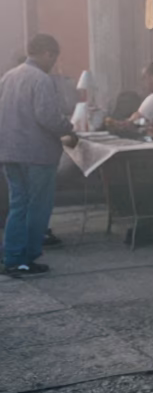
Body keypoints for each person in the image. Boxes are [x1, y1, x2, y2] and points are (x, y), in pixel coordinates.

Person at [0, 34, 78, 276]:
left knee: (18, 205)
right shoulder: (41, 79)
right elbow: (48, 117)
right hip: (37, 154)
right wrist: (69, 129)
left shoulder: (8, 77)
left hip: (10, 152)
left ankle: (12, 256)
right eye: (53, 57)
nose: (53, 62)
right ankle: (29, 256)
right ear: (47, 53)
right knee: (38, 207)